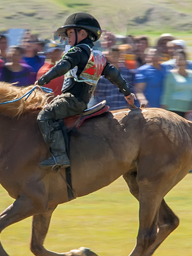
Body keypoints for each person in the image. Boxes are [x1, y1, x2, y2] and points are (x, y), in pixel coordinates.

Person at [35, 12, 134, 169]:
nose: (67, 38)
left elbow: (63, 66)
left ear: (82, 33)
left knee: (44, 116)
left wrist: (43, 79)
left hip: (71, 100)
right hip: (82, 102)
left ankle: (60, 156)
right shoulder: (98, 56)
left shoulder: (77, 51)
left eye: (69, 33)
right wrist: (127, 92)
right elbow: (114, 75)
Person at [94, 45, 137, 110]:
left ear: (120, 56)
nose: (115, 58)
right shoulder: (102, 76)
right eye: (113, 56)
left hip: (123, 109)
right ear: (109, 56)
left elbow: (131, 91)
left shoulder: (127, 73)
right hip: (107, 110)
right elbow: (99, 94)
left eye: (117, 56)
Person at [161, 49, 192, 117]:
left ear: (186, 61)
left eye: (181, 59)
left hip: (190, 110)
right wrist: (163, 109)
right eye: (177, 60)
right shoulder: (170, 75)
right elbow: (167, 93)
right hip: (174, 109)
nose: (179, 62)